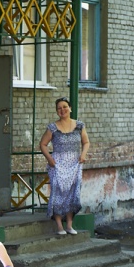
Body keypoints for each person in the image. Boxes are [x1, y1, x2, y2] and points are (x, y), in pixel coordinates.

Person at [39, 97, 90, 235]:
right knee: (58, 192)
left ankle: (69, 225)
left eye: (65, 107)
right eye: (59, 108)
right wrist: (49, 158)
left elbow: (86, 142)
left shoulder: (79, 126)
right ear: (57, 111)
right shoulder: (52, 127)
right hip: (57, 164)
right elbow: (42, 144)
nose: (62, 110)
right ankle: (59, 226)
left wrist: (83, 154)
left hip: (75, 164)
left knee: (73, 192)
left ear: (70, 108)